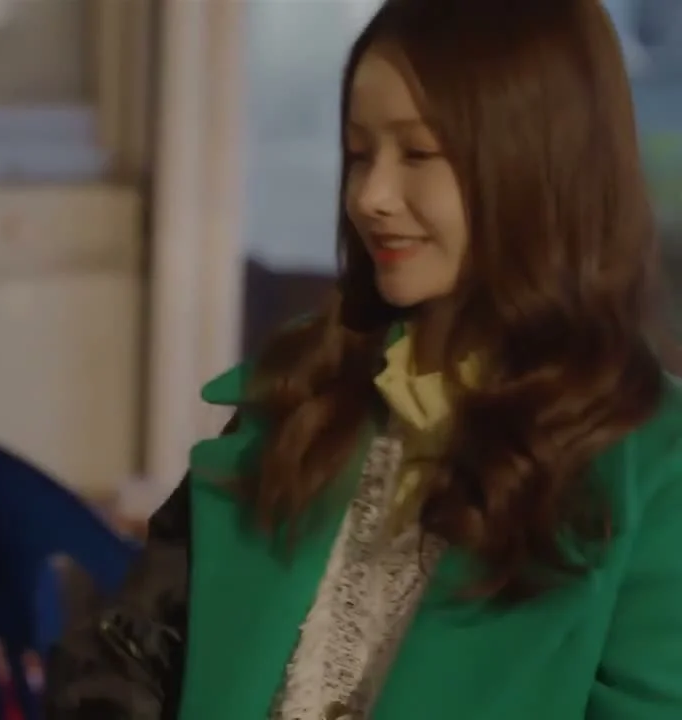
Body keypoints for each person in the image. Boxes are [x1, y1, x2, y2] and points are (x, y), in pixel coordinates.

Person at [43, 0, 682, 718]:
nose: (371, 196)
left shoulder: (653, 470)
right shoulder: (304, 395)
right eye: (357, 154)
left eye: (418, 154)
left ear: (538, 163)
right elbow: (128, 650)